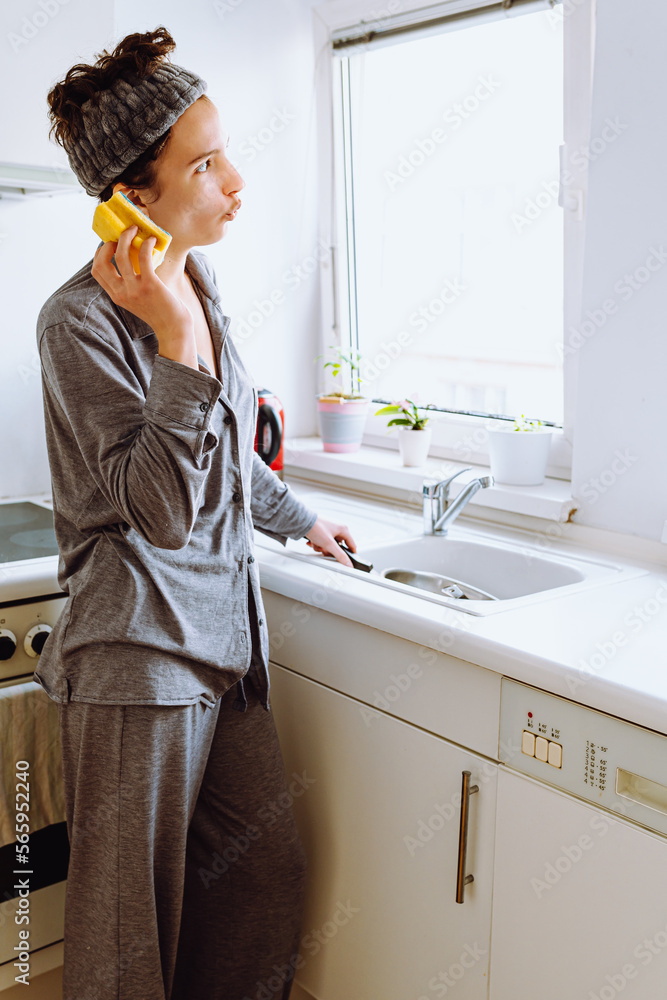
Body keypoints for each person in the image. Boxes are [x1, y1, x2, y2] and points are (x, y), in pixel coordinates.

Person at [37, 25, 356, 1000]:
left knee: (261, 884)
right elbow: (163, 512)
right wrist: (176, 338)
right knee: (126, 935)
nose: (234, 182)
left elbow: (223, 449)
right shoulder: (78, 322)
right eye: (205, 164)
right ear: (132, 199)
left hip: (224, 643)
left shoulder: (197, 284)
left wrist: (298, 518)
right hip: (138, 656)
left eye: (225, 156)